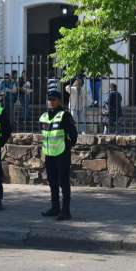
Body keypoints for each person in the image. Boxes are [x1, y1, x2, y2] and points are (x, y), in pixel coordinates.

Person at [40, 90, 78, 221]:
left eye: (54, 99)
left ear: (59, 101)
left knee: (63, 182)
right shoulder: (44, 116)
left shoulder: (65, 115)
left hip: (62, 154)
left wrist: (67, 147)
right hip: (49, 154)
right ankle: (55, 208)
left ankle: (66, 211)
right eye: (49, 99)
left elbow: (73, 135)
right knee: (52, 182)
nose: (51, 102)